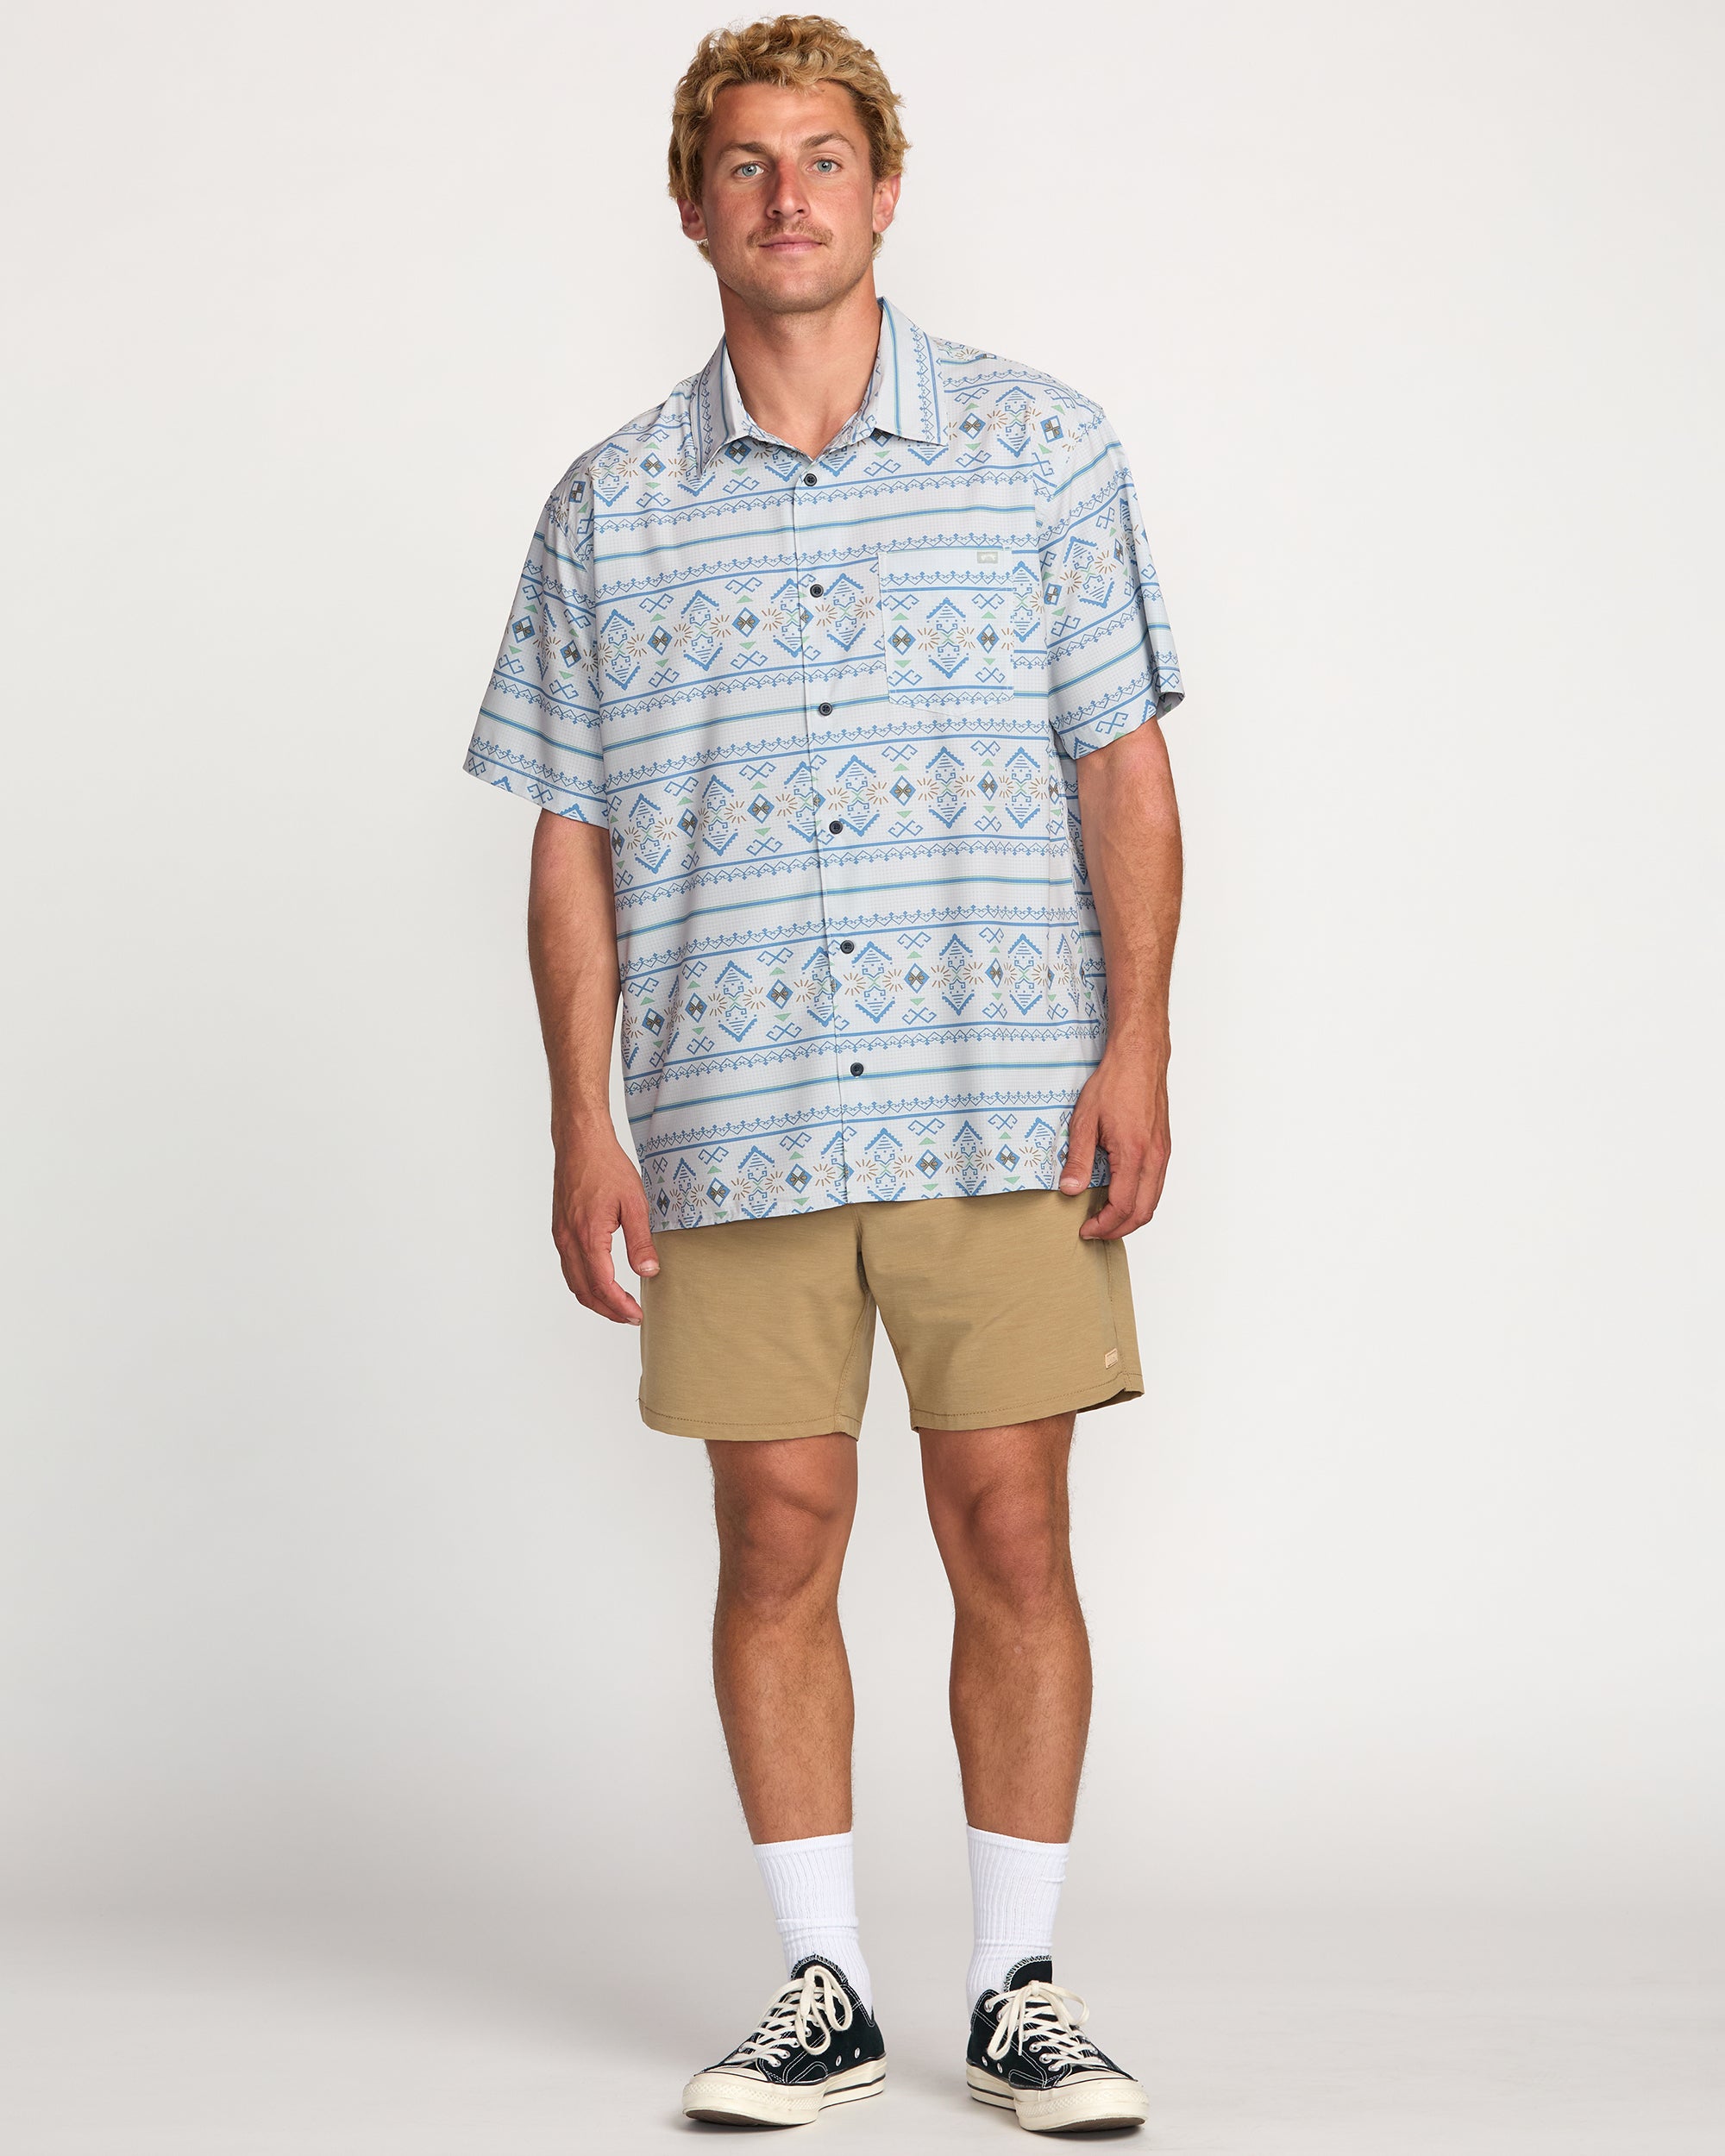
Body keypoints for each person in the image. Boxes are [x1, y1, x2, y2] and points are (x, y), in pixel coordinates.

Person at [462, 13, 1184, 2134]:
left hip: (998, 1085)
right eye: (747, 164)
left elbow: (1124, 768)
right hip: (734, 1104)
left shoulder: (1041, 450)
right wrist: (580, 1118)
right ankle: (823, 1984)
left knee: (1010, 1522)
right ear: (694, 210)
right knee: (773, 1526)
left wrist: (1139, 1041)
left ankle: (1021, 1986)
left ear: (883, 187)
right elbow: (569, 834)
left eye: (825, 157)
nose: (789, 195)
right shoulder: (608, 505)